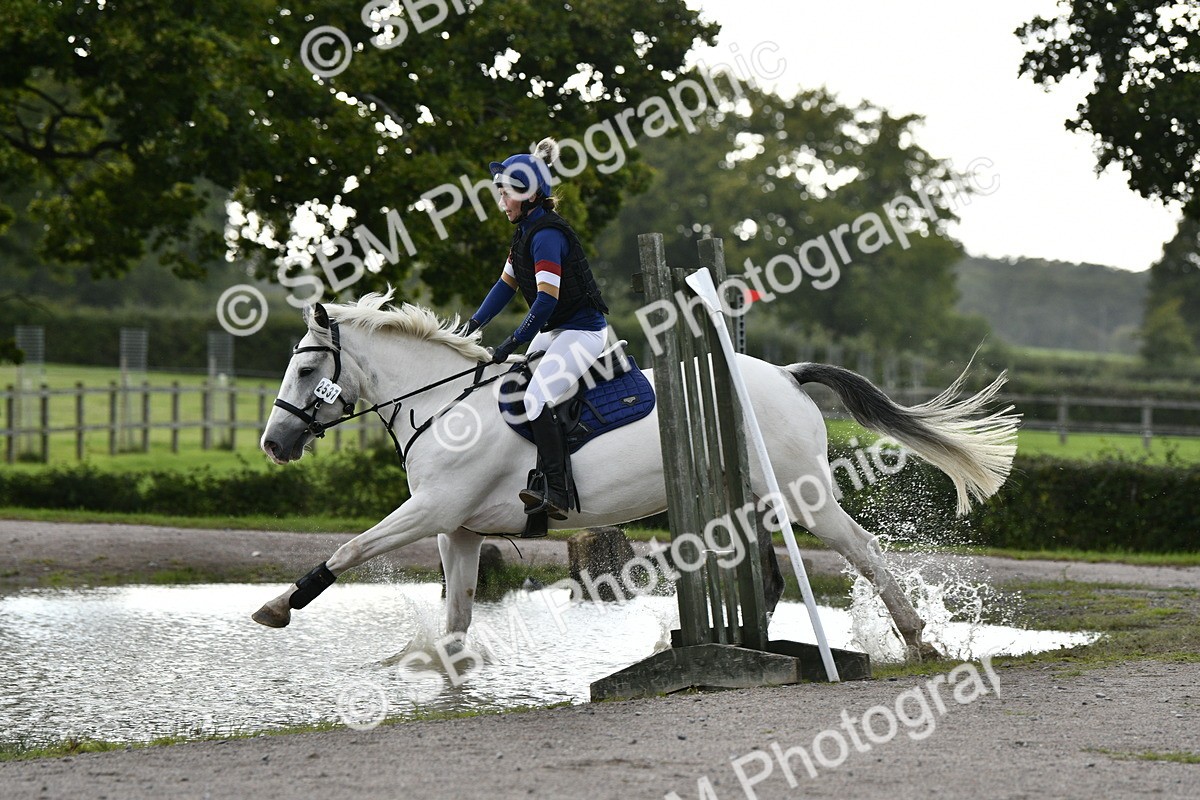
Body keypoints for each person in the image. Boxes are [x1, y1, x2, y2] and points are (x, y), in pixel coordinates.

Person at [465, 138, 609, 521]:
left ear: (529, 195)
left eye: (506, 194)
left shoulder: (546, 236)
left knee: (535, 399)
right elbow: (504, 286)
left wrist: (512, 341)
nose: (502, 202)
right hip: (558, 329)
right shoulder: (525, 231)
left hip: (583, 332)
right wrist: (473, 325)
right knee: (512, 386)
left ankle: (557, 492)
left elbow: (546, 300)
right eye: (500, 193)